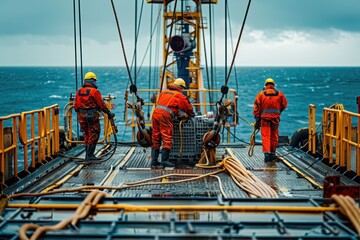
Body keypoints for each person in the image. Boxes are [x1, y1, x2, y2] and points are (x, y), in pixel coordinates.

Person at [151, 78, 195, 168]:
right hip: (165, 116)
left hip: (155, 114)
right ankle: (164, 161)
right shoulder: (179, 95)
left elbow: (169, 105)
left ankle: (154, 162)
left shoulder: (164, 92)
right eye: (182, 88)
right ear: (180, 87)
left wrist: (178, 113)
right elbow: (188, 108)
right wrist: (191, 114)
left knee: (156, 136)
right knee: (167, 137)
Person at [74, 71, 115, 161]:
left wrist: (81, 113)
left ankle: (87, 155)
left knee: (86, 134)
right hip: (92, 116)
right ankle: (90, 155)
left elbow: (75, 106)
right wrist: (108, 113)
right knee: (94, 133)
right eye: (95, 81)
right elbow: (101, 104)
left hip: (81, 116)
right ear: (92, 80)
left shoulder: (78, 91)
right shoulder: (94, 91)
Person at [253, 78, 287, 163]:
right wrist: (278, 112)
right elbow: (284, 104)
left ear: (265, 85)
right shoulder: (280, 94)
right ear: (273, 85)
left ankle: (267, 154)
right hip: (275, 118)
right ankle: (272, 153)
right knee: (274, 136)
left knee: (266, 136)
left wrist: (257, 118)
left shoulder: (261, 94)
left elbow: (256, 107)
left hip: (264, 119)